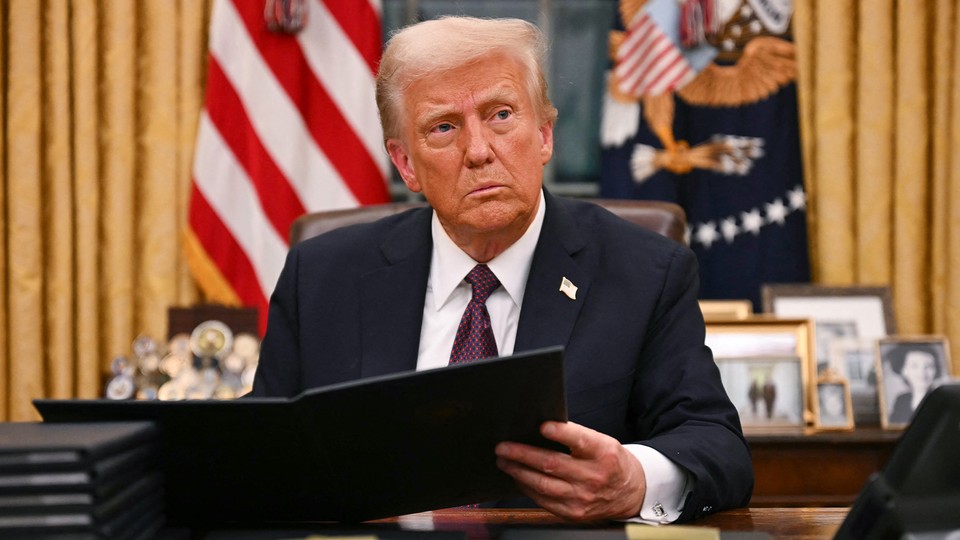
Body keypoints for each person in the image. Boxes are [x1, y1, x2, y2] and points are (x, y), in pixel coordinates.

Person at [251, 16, 752, 523]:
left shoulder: (644, 272)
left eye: (501, 115)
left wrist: (633, 480)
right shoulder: (323, 277)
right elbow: (259, 450)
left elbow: (716, 448)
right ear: (405, 165)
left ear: (544, 135)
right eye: (443, 126)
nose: (478, 151)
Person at [887, 344, 942, 424]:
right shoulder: (901, 400)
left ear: (936, 370)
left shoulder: (942, 399)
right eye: (914, 366)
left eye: (928, 366)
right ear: (903, 371)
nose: (922, 373)